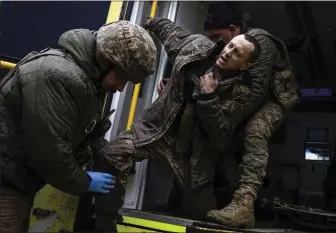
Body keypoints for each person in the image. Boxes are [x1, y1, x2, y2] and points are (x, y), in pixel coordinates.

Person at [98, 15, 287, 221]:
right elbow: (170, 32)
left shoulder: (240, 94)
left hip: (191, 156)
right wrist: (151, 21)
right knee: (112, 153)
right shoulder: (196, 47)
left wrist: (209, 98)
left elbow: (221, 135)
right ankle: (106, 218)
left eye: (236, 53)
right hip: (157, 132)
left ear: (244, 66)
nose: (228, 52)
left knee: (205, 216)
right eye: (230, 46)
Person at [0, 20, 157, 233]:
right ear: (105, 60)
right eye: (122, 77)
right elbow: (49, 155)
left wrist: (110, 155)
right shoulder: (56, 76)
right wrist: (85, 182)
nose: (121, 87)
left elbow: (84, 133)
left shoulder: (87, 81)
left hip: (15, 180)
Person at [200, 3, 300, 228]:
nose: (216, 44)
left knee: (255, 129)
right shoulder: (230, 46)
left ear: (234, 29)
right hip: (252, 94)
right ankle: (230, 199)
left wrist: (227, 124)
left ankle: (244, 206)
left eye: (218, 36)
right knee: (227, 141)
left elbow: (256, 93)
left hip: (275, 99)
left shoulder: (260, 42)